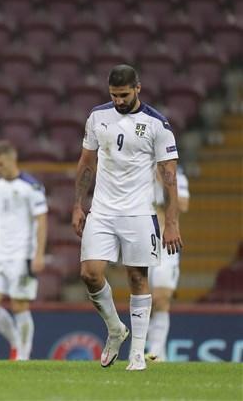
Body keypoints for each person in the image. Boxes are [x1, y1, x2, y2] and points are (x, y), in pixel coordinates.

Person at [71, 64, 182, 371]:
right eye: (114, 95)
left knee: (137, 277)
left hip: (140, 212)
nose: (119, 100)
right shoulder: (97, 117)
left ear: (138, 88)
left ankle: (137, 354)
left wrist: (171, 224)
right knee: (89, 273)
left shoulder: (157, 124)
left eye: (124, 94)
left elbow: (169, 177)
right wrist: (78, 204)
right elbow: (86, 162)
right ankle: (116, 329)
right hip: (103, 210)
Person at [0, 140, 48, 361]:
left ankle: (23, 355)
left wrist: (38, 254)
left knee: (19, 305)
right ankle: (16, 342)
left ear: (11, 159)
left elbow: (42, 221)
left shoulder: (31, 187)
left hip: (22, 255)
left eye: (0, 165)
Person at [146, 166, 190, 361]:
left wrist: (165, 183)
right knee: (143, 299)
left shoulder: (177, 176)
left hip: (167, 245)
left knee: (161, 298)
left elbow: (183, 205)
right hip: (144, 243)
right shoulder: (140, 172)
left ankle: (155, 352)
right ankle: (143, 350)